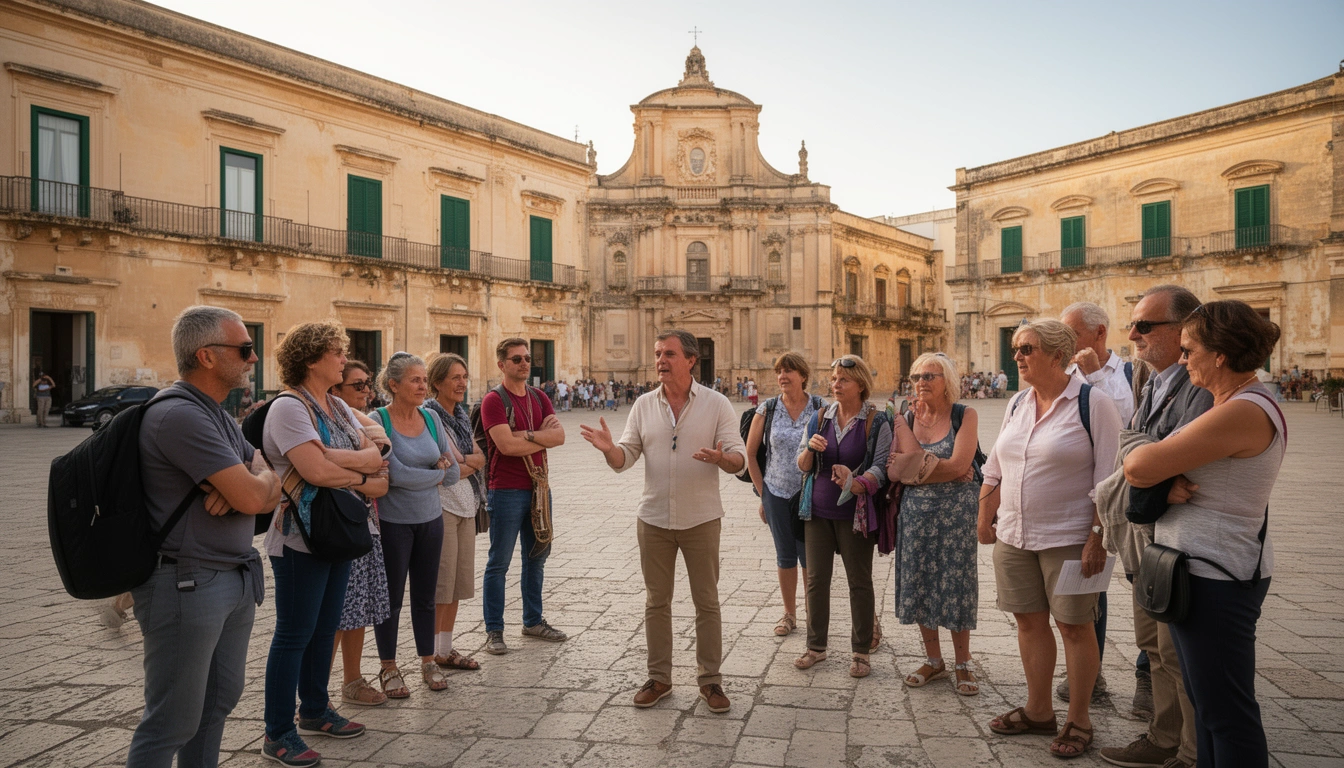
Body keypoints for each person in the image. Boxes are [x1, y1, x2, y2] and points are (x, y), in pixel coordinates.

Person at [1124, 301, 1284, 768]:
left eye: (1190, 349)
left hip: (1217, 575)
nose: (1182, 358)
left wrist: (1149, 457)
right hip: (1200, 569)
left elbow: (1136, 464)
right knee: (1207, 703)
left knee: (1225, 711)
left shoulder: (1242, 410)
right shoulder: (1234, 403)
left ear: (1219, 355)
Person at [127, 306, 281, 768]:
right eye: (245, 349)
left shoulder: (214, 413)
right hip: (186, 585)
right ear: (207, 356)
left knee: (216, 703)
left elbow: (269, 477)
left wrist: (254, 484)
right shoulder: (180, 415)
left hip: (228, 579)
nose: (253, 359)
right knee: (171, 720)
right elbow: (259, 496)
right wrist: (253, 489)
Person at [580, 329, 744, 713]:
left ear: (690, 359)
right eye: (657, 353)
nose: (660, 361)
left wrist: (722, 459)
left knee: (707, 601)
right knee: (657, 601)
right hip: (653, 518)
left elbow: (738, 460)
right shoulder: (642, 406)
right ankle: (659, 678)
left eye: (669, 353)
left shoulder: (717, 404)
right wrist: (609, 451)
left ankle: (711, 680)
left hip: (701, 518)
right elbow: (625, 459)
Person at [980, 319, 1121, 760]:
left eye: (1028, 349)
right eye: (1017, 348)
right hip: (1016, 535)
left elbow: (1109, 477)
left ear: (1057, 355)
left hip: (1071, 537)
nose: (1018, 356)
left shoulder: (1093, 403)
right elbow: (995, 467)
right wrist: (985, 515)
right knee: (1028, 622)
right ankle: (1039, 710)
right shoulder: (1018, 402)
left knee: (1076, 627)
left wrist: (1098, 536)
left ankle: (1079, 718)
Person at [262, 321, 386, 766]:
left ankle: (315, 709)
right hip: (300, 537)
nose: (343, 358)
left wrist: (337, 460)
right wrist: (358, 474)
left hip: (338, 533)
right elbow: (314, 472)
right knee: (294, 635)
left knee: (324, 627)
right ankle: (277, 732)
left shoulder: (335, 405)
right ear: (311, 359)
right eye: (336, 352)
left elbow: (378, 453)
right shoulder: (288, 409)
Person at [1097, 285, 1211, 768]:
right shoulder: (1152, 378)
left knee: (1178, 653)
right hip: (1148, 537)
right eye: (1134, 324)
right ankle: (1164, 736)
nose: (1133, 334)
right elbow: (1134, 447)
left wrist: (1145, 456)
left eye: (1145, 325)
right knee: (1154, 646)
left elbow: (1175, 454)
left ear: (1183, 329)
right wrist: (1145, 454)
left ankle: (1190, 751)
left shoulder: (1201, 386)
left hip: (1180, 538)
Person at [794, 354, 893, 680]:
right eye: (834, 379)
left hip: (856, 514)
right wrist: (810, 448)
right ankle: (815, 647)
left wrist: (855, 481)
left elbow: (882, 467)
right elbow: (802, 464)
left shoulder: (876, 421)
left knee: (859, 583)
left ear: (860, 385)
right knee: (816, 581)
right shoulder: (820, 417)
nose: (835, 384)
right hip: (817, 511)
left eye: (843, 380)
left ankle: (861, 652)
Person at [1058, 302, 1136, 704]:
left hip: (1131, 492)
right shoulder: (1065, 374)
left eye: (1072, 334)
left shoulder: (1128, 373)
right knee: (1092, 584)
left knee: (1146, 585)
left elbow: (1128, 423)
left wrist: (1092, 378)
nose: (1066, 342)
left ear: (1099, 333)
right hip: (1085, 496)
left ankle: (1149, 679)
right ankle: (1091, 674)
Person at [371, 352, 459, 697]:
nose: (423, 385)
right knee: (390, 598)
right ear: (394, 385)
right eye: (415, 380)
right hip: (393, 523)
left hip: (430, 521)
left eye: (424, 379)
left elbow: (452, 473)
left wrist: (434, 473)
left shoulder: (432, 420)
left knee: (425, 596)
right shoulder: (377, 421)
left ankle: (427, 661)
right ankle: (388, 667)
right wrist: (433, 472)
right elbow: (393, 474)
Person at [893, 353, 982, 696]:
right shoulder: (906, 417)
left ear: (948, 380)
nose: (922, 382)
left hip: (957, 516)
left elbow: (961, 465)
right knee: (921, 581)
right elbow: (894, 469)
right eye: (916, 376)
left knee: (956, 583)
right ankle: (934, 660)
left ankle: (962, 663)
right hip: (916, 515)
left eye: (930, 375)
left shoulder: (964, 415)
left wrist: (914, 470)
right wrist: (925, 468)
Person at [480, 338, 567, 654]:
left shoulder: (539, 397)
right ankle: (494, 631)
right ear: (502, 364)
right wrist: (540, 439)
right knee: (498, 562)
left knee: (537, 558)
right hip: (505, 490)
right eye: (516, 359)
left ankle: (533, 621)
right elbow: (505, 446)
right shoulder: (493, 401)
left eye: (527, 358)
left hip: (539, 489)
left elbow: (559, 437)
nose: (524, 363)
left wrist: (526, 436)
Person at [328, 360, 394, 708]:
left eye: (367, 384)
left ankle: (351, 679)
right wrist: (365, 471)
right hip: (332, 527)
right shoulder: (319, 421)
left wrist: (358, 468)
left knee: (358, 609)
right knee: (333, 614)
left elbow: (384, 459)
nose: (367, 391)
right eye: (357, 385)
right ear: (334, 391)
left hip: (364, 523)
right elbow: (321, 465)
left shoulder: (355, 422)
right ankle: (314, 692)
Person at [744, 353, 823, 637]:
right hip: (776, 492)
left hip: (810, 493)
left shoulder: (819, 407)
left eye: (789, 371)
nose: (783, 376)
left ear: (803, 375)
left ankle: (812, 613)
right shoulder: (767, 408)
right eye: (779, 371)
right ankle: (789, 614)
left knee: (809, 557)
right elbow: (751, 454)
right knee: (785, 556)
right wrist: (763, 495)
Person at [424, 353, 485, 673]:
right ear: (437, 383)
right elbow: (448, 464)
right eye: (455, 378)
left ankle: (445, 650)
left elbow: (476, 458)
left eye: (465, 376)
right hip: (441, 505)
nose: (462, 383)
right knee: (441, 583)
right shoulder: (430, 416)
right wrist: (464, 461)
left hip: (467, 503)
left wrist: (463, 461)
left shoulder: (461, 415)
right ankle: (430, 652)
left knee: (459, 582)